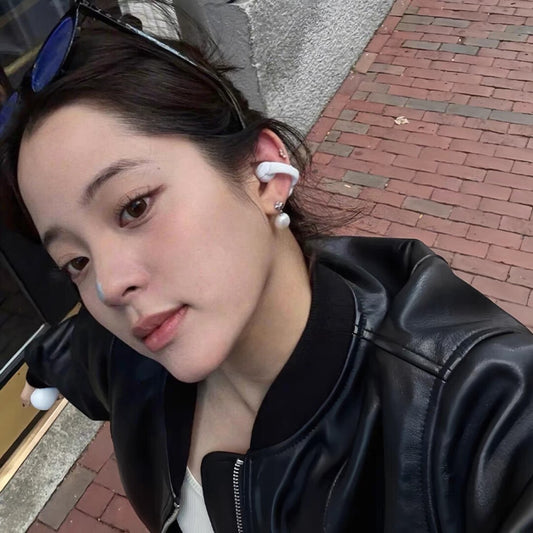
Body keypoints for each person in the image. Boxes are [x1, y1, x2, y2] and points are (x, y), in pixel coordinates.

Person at [1, 1, 533, 532]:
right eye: (75, 261)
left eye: (134, 207)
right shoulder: (130, 358)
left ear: (265, 171)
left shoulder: (481, 414)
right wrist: (42, 373)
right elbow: (78, 347)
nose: (110, 285)